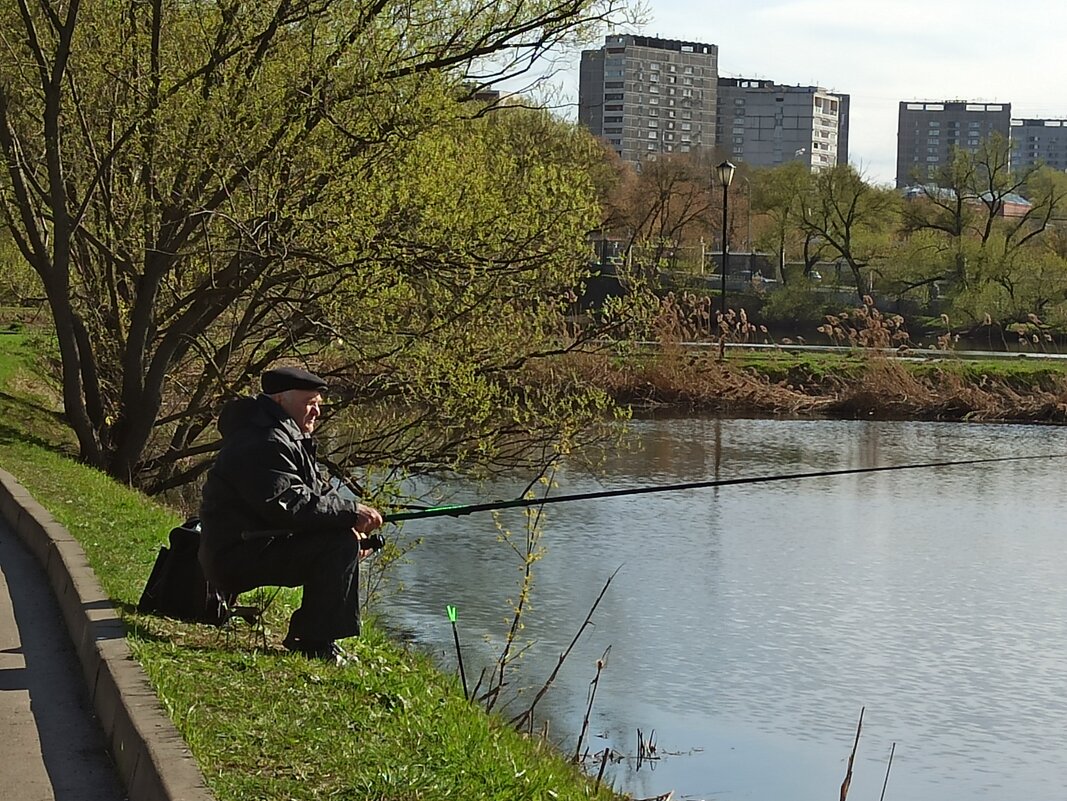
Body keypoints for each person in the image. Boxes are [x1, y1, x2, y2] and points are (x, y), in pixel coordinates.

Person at [199, 365, 383, 664]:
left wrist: (349, 523)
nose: (316, 412)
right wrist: (350, 514)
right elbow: (288, 504)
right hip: (235, 555)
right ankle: (313, 642)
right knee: (338, 546)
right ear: (280, 400)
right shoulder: (264, 440)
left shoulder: (286, 436)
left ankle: (317, 637)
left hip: (254, 545)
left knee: (343, 539)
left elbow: (318, 494)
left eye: (318, 404)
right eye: (309, 403)